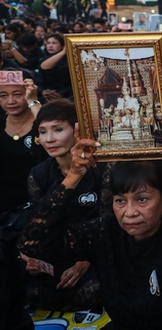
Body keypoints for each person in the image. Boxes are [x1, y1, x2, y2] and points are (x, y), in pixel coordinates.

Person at [18, 127, 162, 330]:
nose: (130, 212)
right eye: (120, 200)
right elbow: (32, 243)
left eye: (142, 199)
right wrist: (74, 174)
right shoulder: (105, 230)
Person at [23, 99, 106, 311]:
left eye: (58, 130)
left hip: (98, 252)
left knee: (93, 290)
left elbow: (111, 221)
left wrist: (85, 262)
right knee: (33, 292)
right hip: (57, 253)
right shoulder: (39, 174)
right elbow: (38, 225)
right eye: (42, 132)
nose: (49, 139)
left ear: (77, 131)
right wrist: (34, 261)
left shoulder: (102, 168)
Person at [0, 73, 45, 212]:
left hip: (38, 202)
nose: (11, 101)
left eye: (17, 94)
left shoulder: (42, 123)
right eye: (3, 95)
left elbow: (47, 124)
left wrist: (33, 100)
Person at [39, 34, 73, 101]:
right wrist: (43, 91)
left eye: (54, 43)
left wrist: (61, 94)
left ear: (62, 46)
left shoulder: (68, 61)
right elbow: (39, 80)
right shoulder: (43, 59)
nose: (50, 46)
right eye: (48, 43)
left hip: (65, 95)